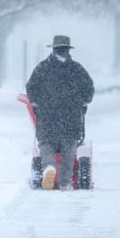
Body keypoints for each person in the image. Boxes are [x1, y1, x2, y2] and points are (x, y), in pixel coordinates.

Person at [26, 35, 95, 190]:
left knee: (46, 145)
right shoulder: (77, 69)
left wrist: (37, 102)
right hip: (71, 119)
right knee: (69, 148)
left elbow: (31, 88)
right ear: (68, 50)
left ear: (53, 49)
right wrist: (83, 101)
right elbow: (89, 89)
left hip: (47, 118)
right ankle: (65, 182)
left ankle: (49, 167)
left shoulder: (42, 68)